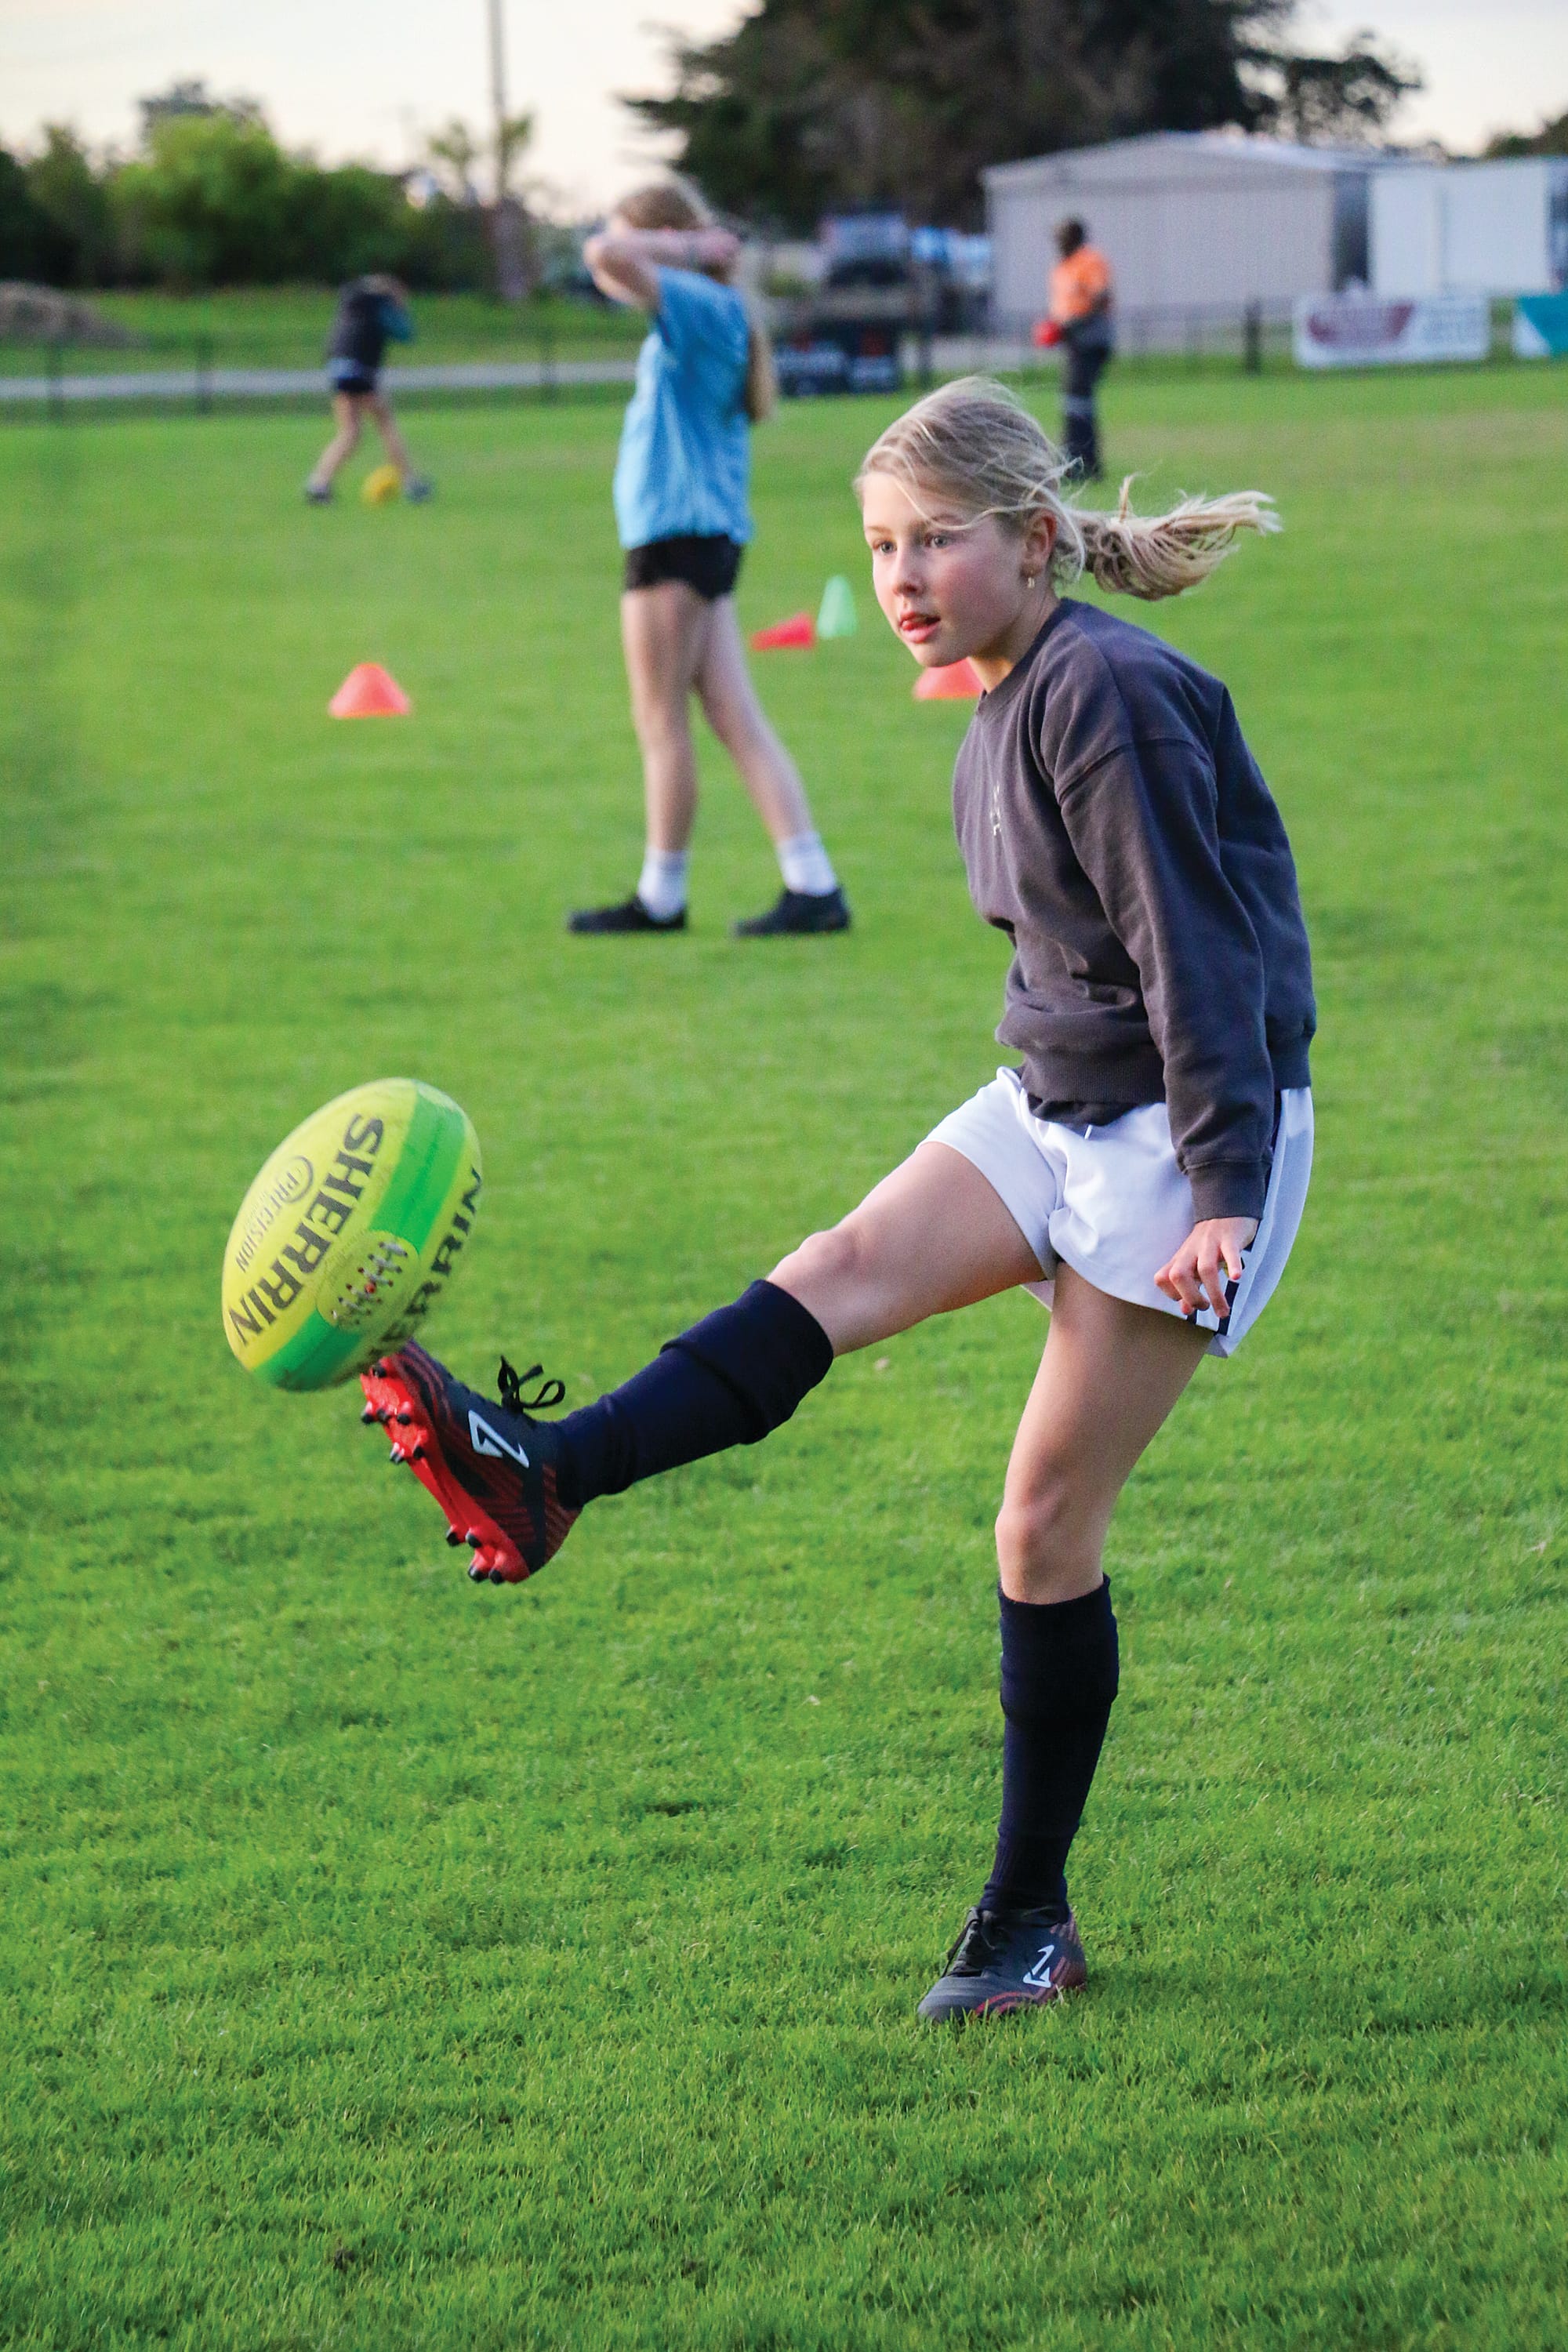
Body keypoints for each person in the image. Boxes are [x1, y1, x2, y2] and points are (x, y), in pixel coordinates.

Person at [357, 378, 1314, 2022]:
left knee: (1039, 1528)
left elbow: (1196, 959)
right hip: (1062, 1098)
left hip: (1179, 1130)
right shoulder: (1002, 692)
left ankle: (1028, 1917)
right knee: (841, 1263)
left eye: (936, 539)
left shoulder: (1105, 694)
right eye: (880, 544)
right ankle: (549, 1470)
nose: (901, 575)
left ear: (1030, 540)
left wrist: (1218, 1192)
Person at [568, 183, 848, 938]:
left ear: (663, 237)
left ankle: (661, 896)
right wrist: (679, 247)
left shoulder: (693, 300)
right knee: (733, 718)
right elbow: (606, 262)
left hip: (675, 540)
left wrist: (683, 246)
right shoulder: (703, 307)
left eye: (638, 235)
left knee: (660, 722)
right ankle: (813, 883)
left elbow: (602, 255)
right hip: (701, 537)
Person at [305, 274, 433, 506]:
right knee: (385, 423)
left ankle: (318, 484)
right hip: (360, 369)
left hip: (337, 367)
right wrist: (401, 308)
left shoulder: (352, 298)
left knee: (350, 432)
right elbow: (406, 334)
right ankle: (410, 484)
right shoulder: (381, 305)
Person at [1048, 220, 1114, 483]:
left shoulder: (1090, 261)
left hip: (1090, 337)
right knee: (1076, 400)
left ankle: (1078, 461)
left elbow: (1101, 297)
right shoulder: (1061, 267)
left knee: (1078, 400)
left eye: (1061, 237)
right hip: (1072, 340)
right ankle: (1082, 460)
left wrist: (1075, 323)